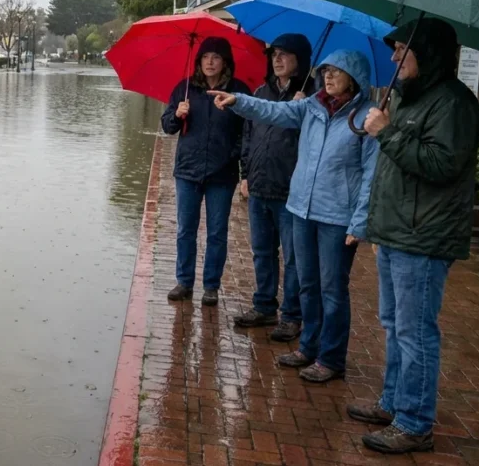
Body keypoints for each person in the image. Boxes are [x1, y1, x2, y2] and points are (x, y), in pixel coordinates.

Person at [347, 19, 479, 455]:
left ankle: (415, 423)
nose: (393, 58)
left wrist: (386, 132)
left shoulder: (454, 104)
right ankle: (393, 402)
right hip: (395, 230)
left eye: (402, 49)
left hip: (423, 236)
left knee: (415, 331)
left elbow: (442, 165)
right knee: (393, 325)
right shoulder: (407, 97)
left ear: (427, 53)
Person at [209, 49, 378, 383]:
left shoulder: (366, 118)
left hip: (336, 216)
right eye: (325, 71)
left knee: (332, 288)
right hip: (301, 208)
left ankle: (331, 358)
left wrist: (360, 222)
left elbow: (372, 174)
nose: (328, 77)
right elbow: (273, 110)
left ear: (354, 77)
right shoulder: (311, 107)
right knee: (307, 283)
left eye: (337, 71)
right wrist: (238, 101)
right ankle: (308, 346)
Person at [233, 34, 313, 344]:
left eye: (284, 54)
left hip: (292, 191)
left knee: (293, 257)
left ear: (300, 60)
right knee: (262, 252)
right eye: (274, 54)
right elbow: (248, 136)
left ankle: (292, 315)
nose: (277, 59)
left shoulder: (311, 99)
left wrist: (301, 114)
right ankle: (264, 305)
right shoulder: (261, 93)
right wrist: (245, 174)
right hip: (260, 186)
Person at [161, 37, 251, 306]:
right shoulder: (185, 89)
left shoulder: (238, 91)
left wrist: (233, 158)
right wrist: (177, 114)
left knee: (216, 232)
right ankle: (184, 281)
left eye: (216, 57)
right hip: (188, 171)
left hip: (222, 175)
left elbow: (247, 132)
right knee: (185, 229)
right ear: (199, 61)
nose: (210, 62)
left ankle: (211, 285)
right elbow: (167, 127)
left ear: (225, 62)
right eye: (205, 57)